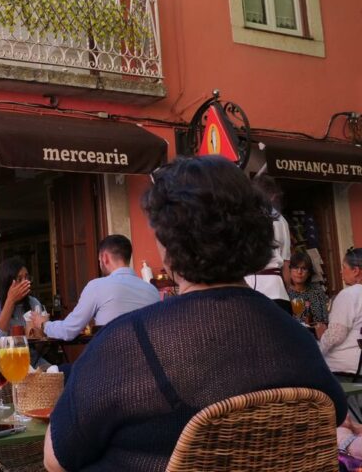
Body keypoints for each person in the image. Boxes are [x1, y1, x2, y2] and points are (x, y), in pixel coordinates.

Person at [43, 156, 347, 472]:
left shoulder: (126, 343)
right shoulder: (296, 336)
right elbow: (333, 415)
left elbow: (57, 459)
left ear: (166, 243)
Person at [30, 235, 160, 341]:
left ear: (104, 258)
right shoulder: (152, 290)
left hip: (111, 366)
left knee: (62, 370)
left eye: (99, 260)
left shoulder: (97, 286)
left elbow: (69, 330)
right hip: (148, 367)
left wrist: (43, 324)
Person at [0, 257, 44, 365]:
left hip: (30, 360)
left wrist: (40, 333)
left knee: (56, 373)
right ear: (7, 282)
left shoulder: (33, 303)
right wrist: (10, 301)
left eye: (27, 278)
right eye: (19, 279)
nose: (25, 283)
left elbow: (40, 345)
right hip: (0, 361)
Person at [244, 174, 291, 301]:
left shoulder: (244, 218)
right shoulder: (281, 221)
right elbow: (286, 263)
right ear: (273, 196)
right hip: (276, 289)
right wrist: (287, 289)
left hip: (249, 289)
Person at [320, 247, 362, 375]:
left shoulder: (349, 294)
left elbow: (335, 335)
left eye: (344, 267)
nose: (340, 271)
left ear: (355, 271)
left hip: (345, 368)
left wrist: (319, 344)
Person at [286, 250, 329, 337]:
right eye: (295, 268)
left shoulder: (316, 290)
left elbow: (324, 319)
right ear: (289, 270)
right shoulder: (285, 293)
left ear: (309, 272)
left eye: (304, 268)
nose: (299, 272)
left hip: (317, 337)